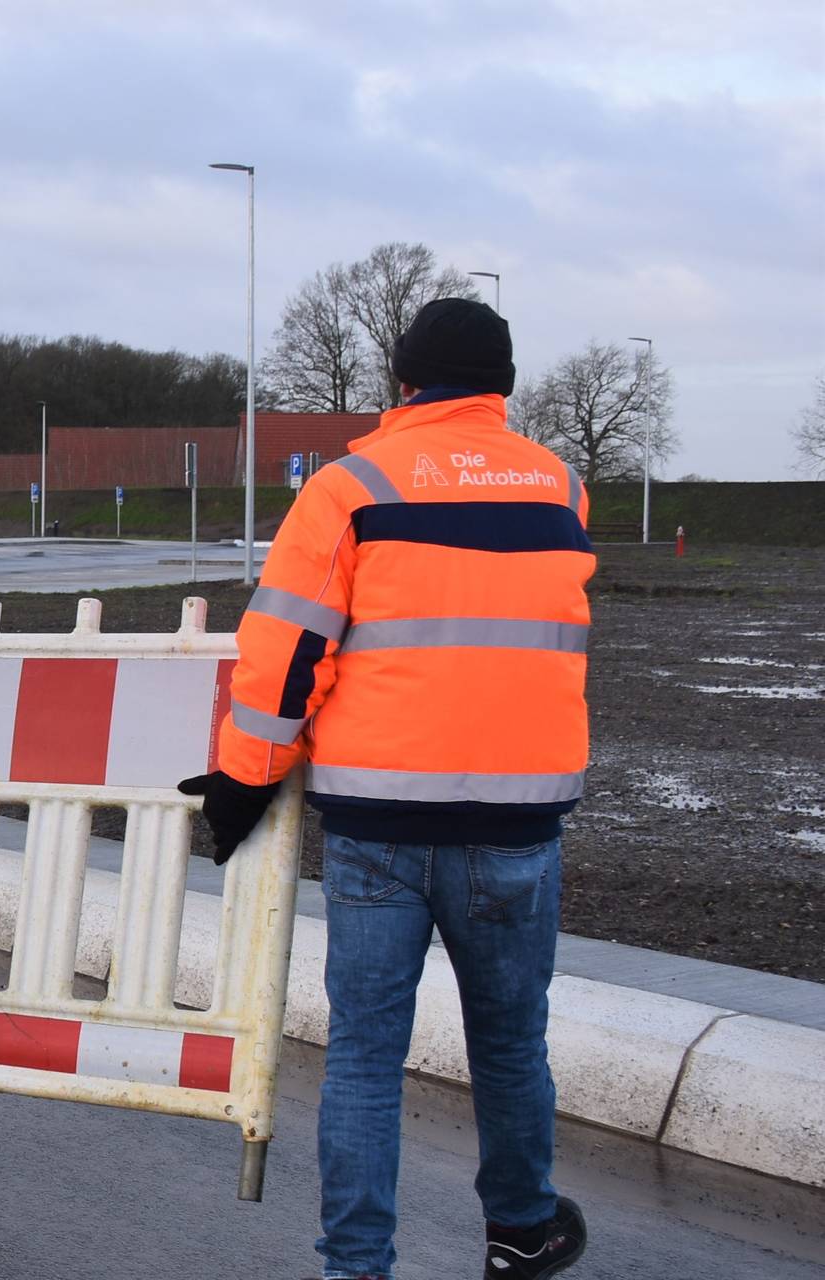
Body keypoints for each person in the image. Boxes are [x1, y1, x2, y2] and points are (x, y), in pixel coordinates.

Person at [175, 298, 591, 1280]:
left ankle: (356, 1263)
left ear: (401, 382)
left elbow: (285, 651)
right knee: (508, 1037)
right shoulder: (558, 487)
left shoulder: (349, 486)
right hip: (516, 819)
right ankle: (521, 1228)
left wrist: (245, 779)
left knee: (364, 1048)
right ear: (502, 385)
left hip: (378, 816)